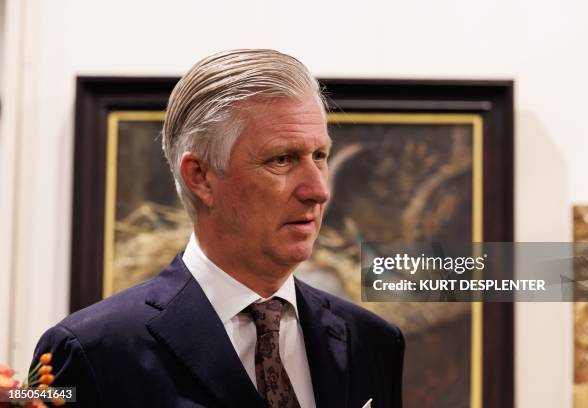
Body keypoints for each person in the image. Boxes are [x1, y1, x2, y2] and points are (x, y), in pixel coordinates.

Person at [31, 49, 404, 407]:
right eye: (282, 159)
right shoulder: (91, 350)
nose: (318, 191)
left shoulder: (371, 342)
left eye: (319, 156)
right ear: (200, 177)